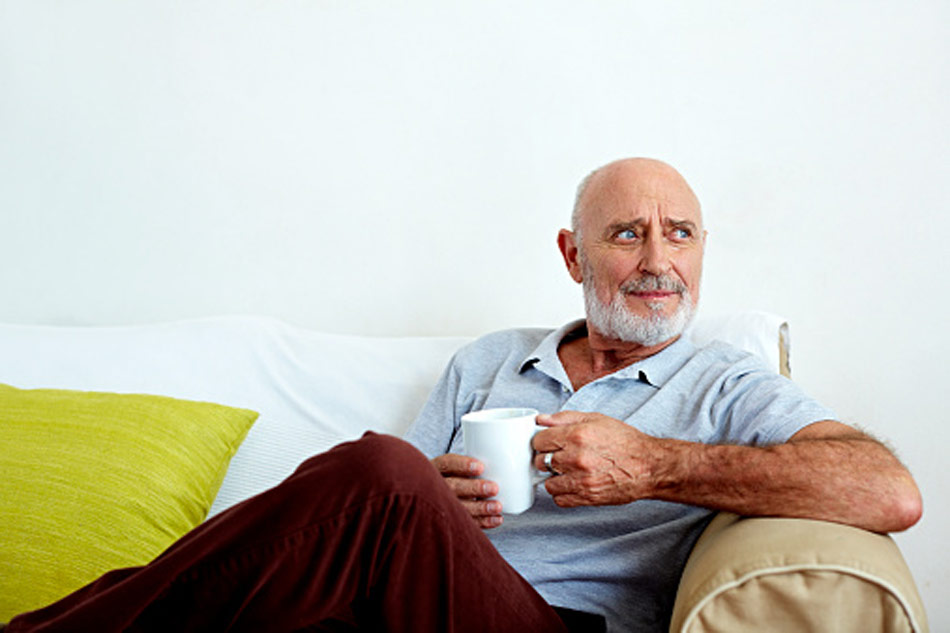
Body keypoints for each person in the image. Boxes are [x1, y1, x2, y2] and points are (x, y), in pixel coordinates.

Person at [4, 158, 922, 633]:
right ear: (572, 254)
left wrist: (652, 464)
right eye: (627, 233)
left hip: (553, 626)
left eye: (679, 233)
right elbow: (393, 501)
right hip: (405, 606)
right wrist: (434, 497)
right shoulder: (491, 359)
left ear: (701, 253)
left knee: (379, 471)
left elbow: (888, 490)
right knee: (381, 487)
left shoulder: (724, 380)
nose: (656, 258)